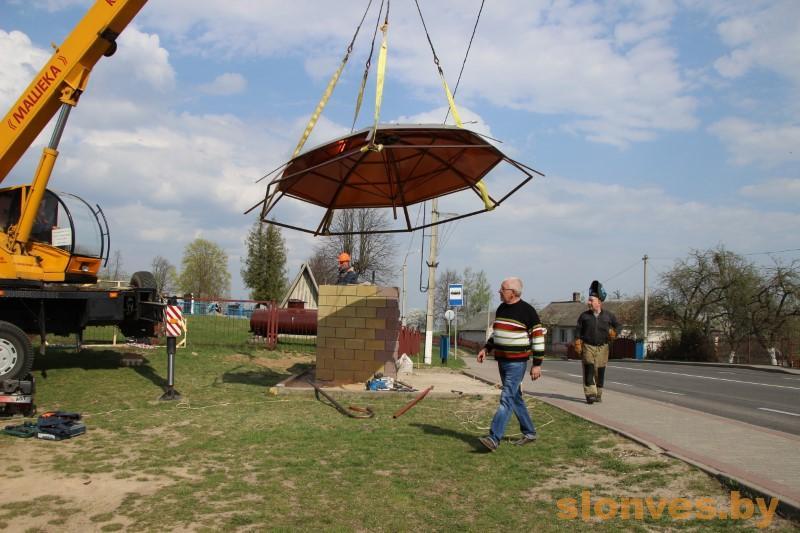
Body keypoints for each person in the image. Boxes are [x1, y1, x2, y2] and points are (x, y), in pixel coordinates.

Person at [476, 277, 546, 451]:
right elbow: (497, 333)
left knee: (506, 398)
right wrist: (486, 348)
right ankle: (529, 432)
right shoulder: (501, 309)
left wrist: (537, 364)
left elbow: (538, 338)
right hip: (502, 361)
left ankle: (493, 438)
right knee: (514, 397)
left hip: (517, 363)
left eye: (502, 289)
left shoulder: (528, 311)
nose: (499, 291)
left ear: (513, 293)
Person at [575, 280, 620, 404]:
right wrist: (578, 341)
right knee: (589, 369)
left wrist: (615, 333)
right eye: (589, 300)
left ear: (599, 302)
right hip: (588, 346)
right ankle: (590, 394)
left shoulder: (609, 316)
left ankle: (598, 394)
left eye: (591, 300)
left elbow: (618, 326)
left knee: (599, 371)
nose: (588, 302)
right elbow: (578, 330)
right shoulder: (584, 316)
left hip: (603, 347)